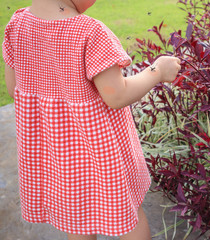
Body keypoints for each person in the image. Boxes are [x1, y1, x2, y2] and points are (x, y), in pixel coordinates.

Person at [2, 0, 181, 239]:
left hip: (60, 160)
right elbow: (117, 95)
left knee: (78, 220)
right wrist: (157, 70)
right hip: (103, 154)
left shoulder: (18, 24)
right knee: (130, 213)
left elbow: (15, 89)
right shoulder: (90, 32)